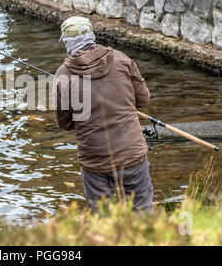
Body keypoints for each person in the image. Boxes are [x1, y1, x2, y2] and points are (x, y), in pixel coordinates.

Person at [54, 16, 154, 212]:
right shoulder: (122, 60)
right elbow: (143, 100)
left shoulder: (63, 75)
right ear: (91, 35)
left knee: (103, 218)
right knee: (142, 212)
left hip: (94, 160)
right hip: (131, 153)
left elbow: (64, 123)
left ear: (67, 42)